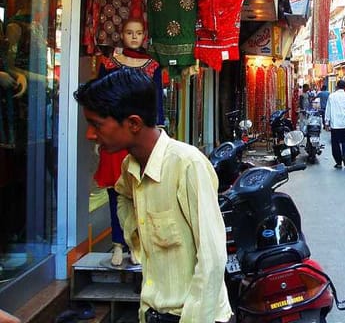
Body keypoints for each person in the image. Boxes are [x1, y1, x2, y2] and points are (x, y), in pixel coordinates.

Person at [74, 69, 231, 323]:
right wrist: (135, 235)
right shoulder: (129, 167)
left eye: (96, 125)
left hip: (192, 315)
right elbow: (123, 197)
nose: (90, 135)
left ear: (133, 123)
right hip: (150, 311)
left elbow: (212, 258)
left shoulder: (187, 165)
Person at [94, 17, 163, 266]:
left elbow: (156, 103)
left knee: (138, 193)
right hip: (114, 137)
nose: (133, 37)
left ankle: (135, 243)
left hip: (139, 138)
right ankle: (116, 244)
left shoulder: (152, 65)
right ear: (121, 35)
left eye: (138, 33)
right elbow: (99, 100)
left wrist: (158, 135)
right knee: (116, 193)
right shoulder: (109, 63)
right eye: (129, 32)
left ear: (144, 36)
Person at [324, 80, 345, 168]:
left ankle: (338, 161)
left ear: (337, 87)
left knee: (335, 143)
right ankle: (344, 155)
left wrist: (327, 122)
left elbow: (328, 109)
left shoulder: (331, 96)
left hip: (335, 123)